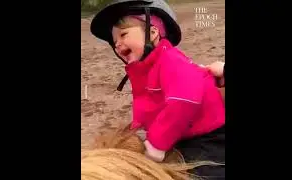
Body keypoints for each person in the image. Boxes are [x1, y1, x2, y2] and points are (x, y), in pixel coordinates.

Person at [90, 0, 225, 179]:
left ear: (152, 33)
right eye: (115, 41)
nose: (117, 44)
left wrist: (157, 143)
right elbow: (147, 106)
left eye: (123, 35)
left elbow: (183, 101)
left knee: (204, 174)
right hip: (181, 134)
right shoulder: (144, 70)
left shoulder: (171, 60)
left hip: (206, 137)